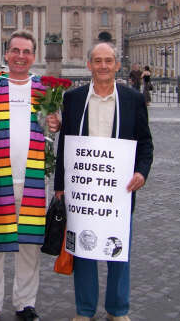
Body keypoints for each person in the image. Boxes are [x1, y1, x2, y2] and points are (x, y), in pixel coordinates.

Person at [54, 42, 153, 321]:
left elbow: (145, 143)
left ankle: (117, 310)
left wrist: (141, 172)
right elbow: (64, 145)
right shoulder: (73, 99)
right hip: (82, 189)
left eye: (108, 60)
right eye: (97, 61)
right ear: (89, 65)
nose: (103, 66)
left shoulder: (132, 99)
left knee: (118, 250)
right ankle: (84, 310)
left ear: (117, 65)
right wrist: (60, 186)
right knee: (83, 249)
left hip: (119, 190)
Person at [0, 30, 59, 321]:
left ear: (34, 56)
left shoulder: (45, 90)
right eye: (15, 51)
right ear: (6, 54)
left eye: (26, 52)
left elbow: (52, 129)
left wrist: (56, 123)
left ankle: (25, 303)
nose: (20, 57)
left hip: (34, 179)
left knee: (30, 245)